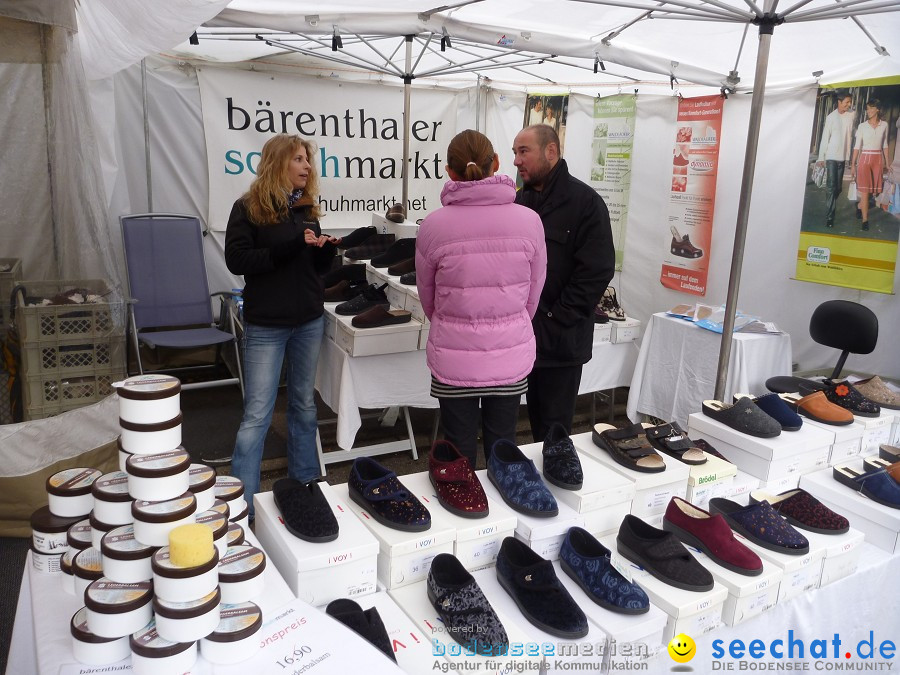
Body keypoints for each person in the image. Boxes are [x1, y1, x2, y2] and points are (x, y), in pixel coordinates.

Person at [416, 129, 547, 466]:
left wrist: (454, 323)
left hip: (453, 355)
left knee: (457, 451)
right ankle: (505, 513)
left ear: (449, 172)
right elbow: (533, 294)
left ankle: (464, 509)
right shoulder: (530, 221)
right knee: (503, 447)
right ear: (498, 163)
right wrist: (509, 323)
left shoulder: (433, 225)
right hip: (510, 354)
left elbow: (428, 298)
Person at [224, 133, 338, 518]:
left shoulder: (306, 209)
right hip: (267, 326)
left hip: (308, 320)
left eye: (308, 160)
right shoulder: (248, 208)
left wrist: (326, 253)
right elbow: (237, 260)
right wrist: (292, 248)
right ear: (278, 163)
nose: (307, 166)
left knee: (304, 406)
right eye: (300, 159)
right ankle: (243, 506)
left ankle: (306, 485)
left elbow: (316, 270)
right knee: (257, 414)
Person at [513, 124, 615, 443]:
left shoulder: (586, 204)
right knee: (526, 423)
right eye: (515, 153)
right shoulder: (519, 203)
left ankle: (556, 488)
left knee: (553, 433)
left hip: (561, 343)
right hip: (524, 337)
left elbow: (596, 272)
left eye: (523, 151)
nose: (516, 160)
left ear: (551, 151)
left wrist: (556, 318)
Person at [849, 98, 890, 231]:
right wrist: (853, 164)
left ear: (877, 109)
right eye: (867, 109)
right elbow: (856, 146)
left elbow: (885, 145)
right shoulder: (862, 126)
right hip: (865, 159)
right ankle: (865, 220)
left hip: (877, 160)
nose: (869, 111)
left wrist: (887, 163)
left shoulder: (884, 125)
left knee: (874, 192)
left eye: (871, 108)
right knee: (866, 192)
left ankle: (860, 206)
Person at [815, 91, 854, 228]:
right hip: (831, 156)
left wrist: (849, 157)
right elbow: (825, 137)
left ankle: (831, 202)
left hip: (842, 157)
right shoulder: (831, 117)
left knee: (838, 188)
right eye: (846, 102)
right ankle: (830, 217)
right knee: (831, 187)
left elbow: (849, 137)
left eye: (850, 102)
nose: (849, 105)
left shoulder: (850, 116)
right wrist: (821, 157)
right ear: (839, 101)